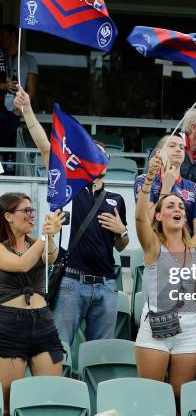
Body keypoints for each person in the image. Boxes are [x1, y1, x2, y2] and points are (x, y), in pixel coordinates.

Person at [14, 88, 129, 345]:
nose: (97, 158)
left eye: (102, 154)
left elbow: (122, 245)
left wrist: (121, 230)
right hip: (71, 281)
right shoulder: (70, 189)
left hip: (107, 284)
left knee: (101, 354)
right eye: (92, 153)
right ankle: (61, 387)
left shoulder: (116, 199)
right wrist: (28, 110)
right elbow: (46, 148)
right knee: (60, 349)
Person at [135, 150, 196, 408]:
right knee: (152, 399)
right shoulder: (153, 246)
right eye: (170, 206)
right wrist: (149, 182)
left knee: (180, 401)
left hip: (189, 331)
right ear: (158, 215)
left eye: (180, 206)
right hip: (155, 327)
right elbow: (139, 217)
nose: (177, 209)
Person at [0, 192, 65, 416]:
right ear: (8, 216)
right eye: (25, 210)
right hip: (8, 326)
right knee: (8, 403)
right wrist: (45, 238)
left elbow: (51, 257)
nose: (31, 215)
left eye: (32, 210)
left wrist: (50, 237)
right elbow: (21, 265)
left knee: (49, 399)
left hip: (43, 323)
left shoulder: (37, 243)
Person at [134, 132, 196, 246]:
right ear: (159, 152)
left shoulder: (195, 189)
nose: (178, 149)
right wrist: (166, 187)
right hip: (155, 251)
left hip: (186, 255)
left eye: (182, 147)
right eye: (172, 146)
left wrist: (184, 254)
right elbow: (146, 221)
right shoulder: (145, 180)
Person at [0, 24, 38, 175]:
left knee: (10, 147)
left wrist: (19, 109)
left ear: (13, 35)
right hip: (0, 108)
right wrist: (4, 85)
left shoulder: (28, 59)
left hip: (14, 112)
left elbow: (32, 89)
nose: (0, 39)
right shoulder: (0, 56)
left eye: (3, 35)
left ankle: (7, 173)